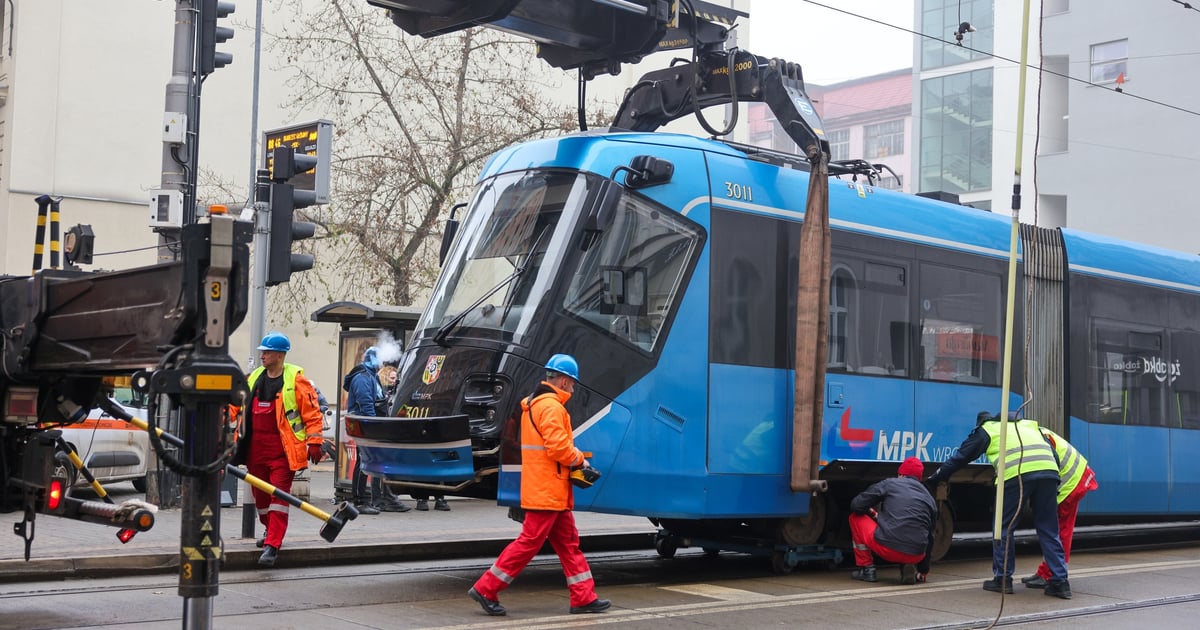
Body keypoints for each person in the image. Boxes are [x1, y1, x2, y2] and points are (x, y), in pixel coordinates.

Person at [468, 354, 611, 616]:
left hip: (548, 488)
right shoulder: (552, 407)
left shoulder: (533, 405)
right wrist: (580, 460)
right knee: (529, 542)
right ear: (565, 381)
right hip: (547, 490)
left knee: (568, 543)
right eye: (573, 383)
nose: (574, 388)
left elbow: (546, 447)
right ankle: (486, 588)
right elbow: (558, 448)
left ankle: (583, 597)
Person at [927, 412, 1072, 599]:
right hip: (1049, 472)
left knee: (1003, 527)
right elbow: (1053, 453)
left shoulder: (987, 429)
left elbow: (960, 458)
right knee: (1048, 528)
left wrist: (936, 478)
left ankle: (1003, 579)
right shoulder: (1028, 425)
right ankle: (1060, 582)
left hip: (1016, 474)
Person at [231, 332, 325, 568]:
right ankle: (269, 530)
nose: (262, 355)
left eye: (267, 352)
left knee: (278, 498)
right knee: (262, 498)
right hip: (255, 449)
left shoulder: (296, 381)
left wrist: (315, 442)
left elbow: (312, 413)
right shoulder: (253, 378)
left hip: (283, 451)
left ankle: (273, 545)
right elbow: (235, 405)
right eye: (262, 351)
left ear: (280, 355)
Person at [1021, 427, 1098, 590]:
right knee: (1057, 530)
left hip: (1071, 482)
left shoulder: (1027, 437)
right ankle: (1048, 572)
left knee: (1059, 530)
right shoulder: (1031, 431)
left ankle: (1051, 574)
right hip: (1074, 476)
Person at [848, 456, 937, 585]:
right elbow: (930, 537)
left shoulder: (890, 483)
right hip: (916, 554)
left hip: (889, 549)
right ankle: (907, 564)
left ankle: (867, 569)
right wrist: (923, 570)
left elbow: (856, 505)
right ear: (919, 478)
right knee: (910, 531)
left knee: (855, 518)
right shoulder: (929, 498)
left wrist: (870, 512)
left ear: (900, 474)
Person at [343, 347, 409, 514]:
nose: (382, 363)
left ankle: (375, 500)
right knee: (363, 462)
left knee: (368, 461)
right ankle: (360, 502)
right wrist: (373, 427)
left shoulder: (370, 376)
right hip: (366, 426)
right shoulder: (363, 378)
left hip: (369, 425)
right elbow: (366, 406)